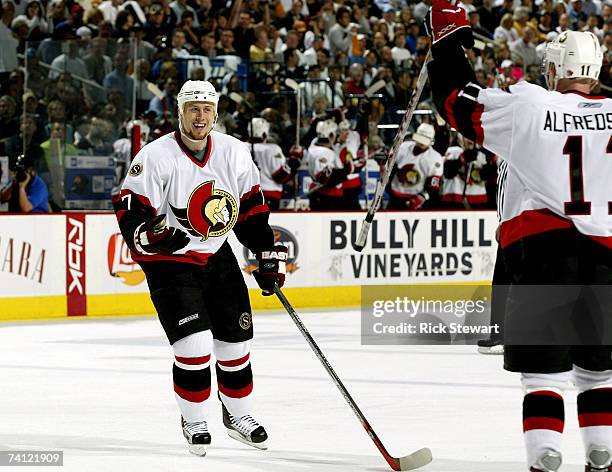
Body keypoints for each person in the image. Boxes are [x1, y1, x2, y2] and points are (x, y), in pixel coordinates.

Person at [426, 4, 612, 470]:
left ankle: (546, 456)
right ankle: (601, 453)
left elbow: (456, 99)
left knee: (542, 375)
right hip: (609, 258)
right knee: (599, 374)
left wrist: (449, 38)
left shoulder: (531, 105)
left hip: (547, 252)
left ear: (553, 68)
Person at [112, 80, 288, 456]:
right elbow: (131, 209)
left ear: (216, 113)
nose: (200, 116)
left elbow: (251, 210)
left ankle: (238, 415)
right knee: (194, 346)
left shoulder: (235, 151)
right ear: (179, 112)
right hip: (169, 263)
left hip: (216, 254)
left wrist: (265, 253)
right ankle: (194, 419)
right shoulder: (156, 155)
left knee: (235, 345)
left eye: (207, 109)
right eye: (193, 108)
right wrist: (150, 235)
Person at [248, 117, 300, 211]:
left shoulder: (241, 147)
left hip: (246, 196)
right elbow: (280, 177)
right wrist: (293, 164)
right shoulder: (273, 149)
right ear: (264, 134)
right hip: (269, 196)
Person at [387, 123, 443, 210]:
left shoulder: (435, 158)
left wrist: (420, 198)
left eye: (426, 139)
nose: (422, 142)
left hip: (416, 200)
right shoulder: (403, 147)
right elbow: (390, 170)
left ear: (431, 140)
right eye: (421, 137)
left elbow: (433, 187)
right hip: (395, 197)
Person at [306, 119, 353, 210]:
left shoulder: (314, 144)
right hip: (327, 196)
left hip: (318, 193)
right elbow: (326, 179)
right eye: (335, 133)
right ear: (331, 135)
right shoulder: (325, 153)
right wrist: (345, 171)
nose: (337, 136)